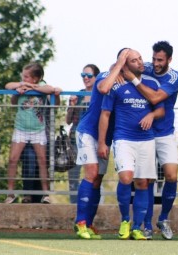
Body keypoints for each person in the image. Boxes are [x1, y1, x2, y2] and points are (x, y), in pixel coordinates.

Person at [98, 49, 165, 240]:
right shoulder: (116, 84)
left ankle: (138, 227)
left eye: (140, 59)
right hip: (123, 139)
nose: (140, 63)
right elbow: (105, 114)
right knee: (126, 178)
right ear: (125, 65)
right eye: (134, 61)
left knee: (143, 182)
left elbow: (161, 111)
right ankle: (125, 220)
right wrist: (102, 142)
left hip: (146, 140)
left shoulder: (152, 83)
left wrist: (151, 115)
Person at [123, 41, 178, 240]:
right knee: (146, 179)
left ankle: (163, 218)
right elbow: (121, 68)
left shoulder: (175, 77)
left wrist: (133, 80)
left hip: (165, 132)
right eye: (154, 58)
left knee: (171, 175)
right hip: (143, 133)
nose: (155, 63)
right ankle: (146, 224)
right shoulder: (145, 67)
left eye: (160, 60)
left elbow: (157, 98)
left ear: (169, 60)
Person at [73, 49, 130, 239]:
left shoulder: (129, 80)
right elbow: (105, 88)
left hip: (105, 136)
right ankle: (80, 222)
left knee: (98, 178)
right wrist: (120, 63)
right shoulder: (105, 76)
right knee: (90, 173)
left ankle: (88, 224)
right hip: (88, 131)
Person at [4, 62, 55, 204]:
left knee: (42, 161)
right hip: (21, 129)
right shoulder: (20, 84)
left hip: (38, 130)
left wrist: (32, 87)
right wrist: (19, 88)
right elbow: (8, 86)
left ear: (35, 78)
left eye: (26, 76)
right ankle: (10, 193)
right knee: (13, 159)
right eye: (23, 76)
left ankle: (46, 194)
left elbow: (50, 89)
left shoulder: (42, 85)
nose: (23, 78)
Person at [19, 85, 62, 203]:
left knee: (41, 166)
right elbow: (9, 86)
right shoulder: (23, 90)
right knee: (29, 164)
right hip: (26, 137)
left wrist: (56, 92)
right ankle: (27, 195)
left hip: (44, 137)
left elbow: (55, 100)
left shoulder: (45, 90)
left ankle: (43, 196)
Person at [66, 64, 100, 204]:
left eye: (89, 75)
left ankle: (91, 203)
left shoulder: (99, 95)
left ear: (96, 77)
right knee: (73, 175)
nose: (86, 78)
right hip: (75, 139)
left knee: (94, 174)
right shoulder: (78, 95)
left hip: (93, 139)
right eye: (83, 75)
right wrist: (72, 105)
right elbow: (68, 121)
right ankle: (74, 203)